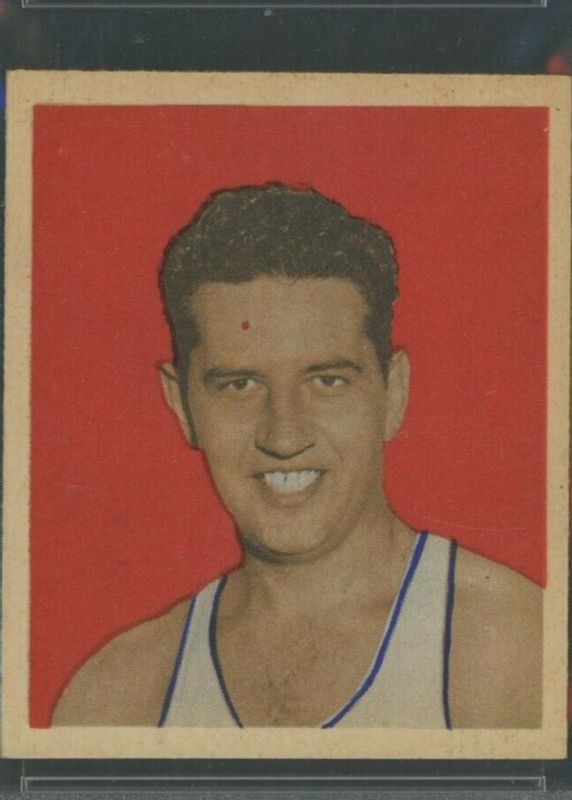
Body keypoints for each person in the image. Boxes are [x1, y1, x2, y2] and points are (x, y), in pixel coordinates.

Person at [53, 184, 542, 728]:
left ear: (394, 393)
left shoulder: (511, 644)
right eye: (239, 385)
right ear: (182, 405)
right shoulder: (115, 698)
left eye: (327, 381)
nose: (284, 436)